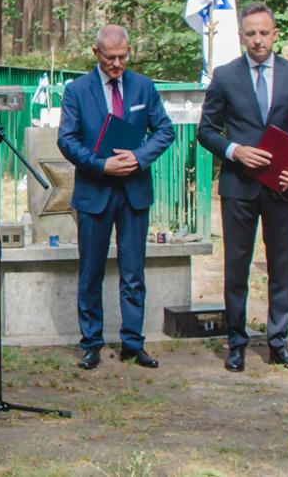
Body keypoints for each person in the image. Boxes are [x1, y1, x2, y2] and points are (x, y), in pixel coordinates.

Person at [197, 3, 288, 371]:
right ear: (241, 37)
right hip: (239, 187)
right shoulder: (225, 76)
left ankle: (278, 342)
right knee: (237, 266)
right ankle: (236, 341)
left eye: (264, 33)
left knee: (280, 265)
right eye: (250, 33)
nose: (257, 40)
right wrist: (235, 151)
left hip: (282, 186)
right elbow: (206, 131)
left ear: (275, 34)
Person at [56, 25, 175, 369]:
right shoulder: (77, 90)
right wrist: (100, 165)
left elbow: (164, 130)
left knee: (134, 271)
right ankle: (91, 342)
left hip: (134, 192)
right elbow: (67, 140)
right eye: (110, 58)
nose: (117, 64)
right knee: (90, 271)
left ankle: (133, 342)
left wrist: (140, 157)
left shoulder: (144, 86)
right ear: (96, 54)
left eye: (123, 57)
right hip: (95, 191)